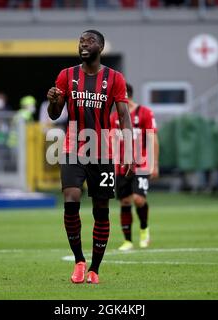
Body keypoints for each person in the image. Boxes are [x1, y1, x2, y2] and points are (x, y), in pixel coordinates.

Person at [47, 30, 133, 284]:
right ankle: (79, 261)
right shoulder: (66, 75)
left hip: (102, 151)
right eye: (81, 42)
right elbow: (54, 114)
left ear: (101, 47)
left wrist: (128, 150)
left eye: (89, 41)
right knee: (71, 197)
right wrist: (53, 100)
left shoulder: (114, 78)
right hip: (73, 147)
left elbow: (124, 116)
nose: (83, 45)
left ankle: (95, 268)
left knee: (101, 209)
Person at [110, 83, 159, 251]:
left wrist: (155, 164)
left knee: (138, 199)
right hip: (121, 166)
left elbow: (153, 139)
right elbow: (112, 141)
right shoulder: (114, 117)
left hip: (142, 163)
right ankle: (128, 241)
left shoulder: (145, 113)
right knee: (124, 201)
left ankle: (144, 228)